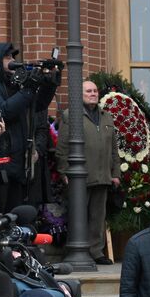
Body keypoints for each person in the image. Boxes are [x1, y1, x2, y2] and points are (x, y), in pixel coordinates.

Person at [0, 42, 60, 213]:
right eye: (7, 57)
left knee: (18, 217)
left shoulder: (12, 82)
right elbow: (3, 112)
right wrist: (28, 88)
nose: (12, 60)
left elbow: (39, 105)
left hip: (17, 163)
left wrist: (50, 81)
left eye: (13, 57)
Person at [55, 81, 120, 264]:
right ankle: (74, 251)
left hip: (103, 176)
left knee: (98, 217)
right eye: (88, 91)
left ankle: (96, 252)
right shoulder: (71, 115)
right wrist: (64, 172)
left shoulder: (107, 117)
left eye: (95, 90)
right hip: (79, 177)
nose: (93, 93)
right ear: (79, 94)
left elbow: (114, 148)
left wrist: (115, 173)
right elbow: (62, 148)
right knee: (78, 215)